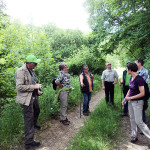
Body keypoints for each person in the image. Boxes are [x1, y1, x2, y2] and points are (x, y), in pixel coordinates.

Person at [16, 54, 42, 149]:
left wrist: (37, 91)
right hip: (27, 98)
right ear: (30, 63)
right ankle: (29, 142)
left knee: (37, 110)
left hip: (34, 95)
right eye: (35, 63)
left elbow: (33, 83)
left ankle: (33, 125)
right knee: (28, 119)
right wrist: (34, 87)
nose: (36, 65)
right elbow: (19, 87)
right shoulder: (20, 71)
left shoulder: (31, 71)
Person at [123, 62, 150, 143]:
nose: (126, 70)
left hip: (138, 102)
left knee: (139, 121)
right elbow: (130, 89)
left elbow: (142, 93)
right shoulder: (131, 77)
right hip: (131, 102)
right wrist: (125, 99)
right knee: (132, 119)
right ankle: (134, 135)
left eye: (127, 68)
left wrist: (130, 97)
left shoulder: (139, 79)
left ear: (130, 70)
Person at [135, 59, 149, 123]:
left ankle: (143, 124)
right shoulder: (135, 71)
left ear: (139, 63)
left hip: (143, 92)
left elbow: (145, 82)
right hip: (136, 92)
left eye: (136, 63)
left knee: (142, 108)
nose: (135, 64)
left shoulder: (145, 71)